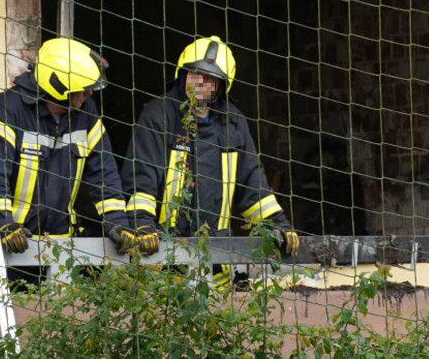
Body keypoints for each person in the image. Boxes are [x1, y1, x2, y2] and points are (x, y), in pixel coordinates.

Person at [122, 35, 299, 288]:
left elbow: (252, 183)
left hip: (216, 260)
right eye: (196, 75)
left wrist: (277, 224)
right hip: (161, 257)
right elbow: (141, 177)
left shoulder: (233, 124)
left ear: (222, 86)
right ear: (183, 74)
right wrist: (142, 223)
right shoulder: (158, 115)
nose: (201, 83)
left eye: (210, 79)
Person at [0, 38, 138, 280]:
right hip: (1, 243)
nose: (89, 94)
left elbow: (103, 173)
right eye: (83, 88)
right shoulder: (9, 109)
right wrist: (2, 223)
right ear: (59, 86)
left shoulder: (86, 114)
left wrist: (117, 222)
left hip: (55, 249)